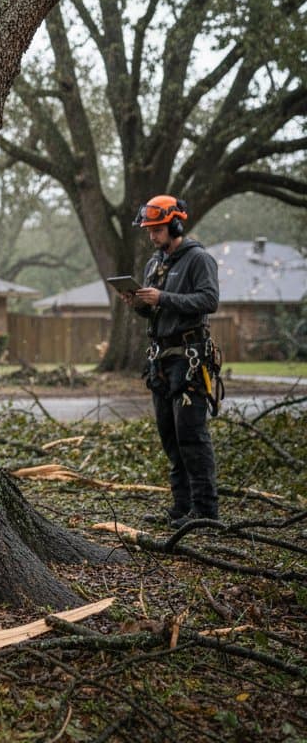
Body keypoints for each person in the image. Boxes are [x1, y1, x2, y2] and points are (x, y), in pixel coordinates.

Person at [123, 195, 221, 527]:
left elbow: (209, 299)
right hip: (161, 360)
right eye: (149, 230)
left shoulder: (198, 259)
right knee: (169, 433)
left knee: (191, 433)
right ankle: (181, 507)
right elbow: (153, 310)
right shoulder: (154, 263)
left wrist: (163, 297)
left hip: (189, 359)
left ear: (176, 224)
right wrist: (138, 303)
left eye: (158, 229)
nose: (152, 236)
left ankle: (205, 511)